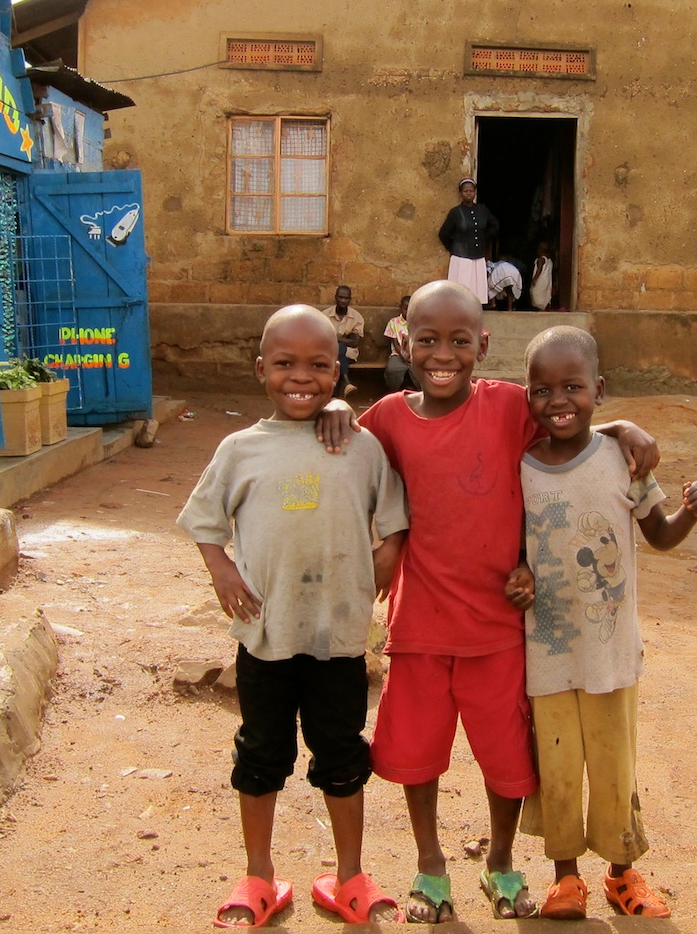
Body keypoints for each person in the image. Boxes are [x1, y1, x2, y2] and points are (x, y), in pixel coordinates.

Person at [314, 280, 659, 923]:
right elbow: (347, 459)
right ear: (403, 340)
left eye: (460, 341)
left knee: (508, 761)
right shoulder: (387, 418)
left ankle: (500, 862)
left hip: (500, 629)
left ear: (484, 345)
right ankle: (431, 865)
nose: (443, 354)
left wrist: (620, 423)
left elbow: (567, 416)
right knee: (418, 755)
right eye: (427, 339)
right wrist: (334, 403)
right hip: (419, 625)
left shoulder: (505, 408)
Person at [178, 305, 408, 927]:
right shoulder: (239, 450)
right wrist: (221, 569)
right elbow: (204, 523)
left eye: (317, 365)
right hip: (266, 639)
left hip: (337, 641)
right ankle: (258, 877)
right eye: (284, 364)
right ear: (261, 369)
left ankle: (351, 876)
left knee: (341, 754)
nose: (300, 377)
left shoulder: (360, 448)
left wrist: (386, 556)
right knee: (260, 754)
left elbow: (393, 519)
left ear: (339, 372)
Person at [505, 325, 697, 922]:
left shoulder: (623, 459)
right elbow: (515, 551)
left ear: (599, 389)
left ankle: (623, 873)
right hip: (547, 650)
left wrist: (690, 514)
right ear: (526, 397)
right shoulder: (521, 469)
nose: (558, 401)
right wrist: (520, 579)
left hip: (613, 651)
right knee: (559, 767)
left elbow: (661, 535)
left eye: (573, 386)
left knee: (615, 764)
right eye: (541, 390)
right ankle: (566, 879)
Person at [438, 179, 498, 304]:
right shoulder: (455, 212)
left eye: (471, 191)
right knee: (460, 296)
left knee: (476, 293)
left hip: (478, 257)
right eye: (466, 191)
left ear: (475, 192)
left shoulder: (482, 210)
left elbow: (495, 225)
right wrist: (454, 247)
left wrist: (484, 240)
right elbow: (444, 233)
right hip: (461, 259)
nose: (469, 193)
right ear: (461, 193)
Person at [321, 285, 364, 399]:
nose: (343, 301)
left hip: (350, 352)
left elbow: (355, 343)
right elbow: (322, 339)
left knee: (339, 349)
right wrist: (346, 339)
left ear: (350, 299)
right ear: (335, 298)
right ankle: (346, 382)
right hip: (328, 352)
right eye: (340, 297)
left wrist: (334, 337)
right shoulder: (325, 315)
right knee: (338, 352)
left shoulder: (356, 317)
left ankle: (333, 396)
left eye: (346, 298)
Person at [382, 294, 416, 392]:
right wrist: (403, 355)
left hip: (415, 353)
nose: (408, 312)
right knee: (393, 369)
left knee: (418, 369)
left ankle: (416, 390)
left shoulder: (418, 322)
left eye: (411, 309)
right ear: (400, 308)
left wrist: (411, 355)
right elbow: (395, 342)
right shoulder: (393, 322)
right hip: (398, 353)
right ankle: (394, 390)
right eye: (405, 308)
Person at [529, 242, 554, 311]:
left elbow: (539, 270)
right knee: (545, 294)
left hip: (539, 281)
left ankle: (539, 308)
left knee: (536, 293)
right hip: (546, 282)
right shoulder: (549, 261)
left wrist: (534, 279)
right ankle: (544, 308)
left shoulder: (541, 259)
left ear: (540, 250)